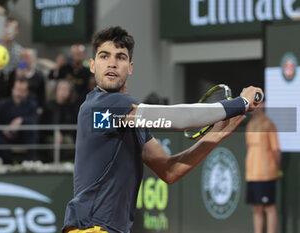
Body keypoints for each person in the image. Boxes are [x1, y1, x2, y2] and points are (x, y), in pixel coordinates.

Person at [62, 26, 263, 233]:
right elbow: (179, 119)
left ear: (130, 67)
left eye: (120, 57)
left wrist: (215, 136)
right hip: (91, 228)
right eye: (104, 56)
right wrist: (242, 103)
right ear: (93, 65)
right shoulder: (101, 106)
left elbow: (169, 171)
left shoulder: (132, 120)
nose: (112, 63)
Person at [245, 102, 281, 233]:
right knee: (256, 208)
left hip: (266, 174)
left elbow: (276, 150)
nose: (255, 107)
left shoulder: (269, 125)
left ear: (264, 105)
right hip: (251, 174)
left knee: (269, 207)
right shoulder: (249, 126)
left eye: (258, 103)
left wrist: (276, 168)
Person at [0, 78, 38, 163]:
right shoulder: (3, 104)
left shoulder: (32, 104)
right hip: (7, 136)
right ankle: (5, 166)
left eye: (23, 91)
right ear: (12, 90)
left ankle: (32, 163)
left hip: (24, 135)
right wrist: (3, 130)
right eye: (18, 90)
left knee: (32, 133)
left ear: (27, 92)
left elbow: (34, 120)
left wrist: (21, 120)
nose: (19, 93)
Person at [40, 79, 78, 161]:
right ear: (56, 90)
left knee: (68, 142)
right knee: (54, 143)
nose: (63, 92)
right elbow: (44, 124)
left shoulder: (71, 107)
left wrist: (61, 132)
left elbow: (72, 124)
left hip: (67, 135)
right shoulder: (49, 106)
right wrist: (56, 132)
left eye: (66, 89)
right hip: (50, 135)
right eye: (61, 89)